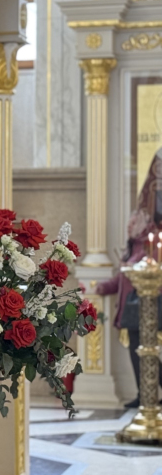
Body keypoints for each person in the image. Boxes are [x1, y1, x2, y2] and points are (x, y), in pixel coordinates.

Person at [95, 150, 162, 408]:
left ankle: (150, 394)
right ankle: (144, 394)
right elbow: (122, 277)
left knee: (148, 350)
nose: (130, 225)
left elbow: (146, 269)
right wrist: (102, 287)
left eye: (134, 222)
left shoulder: (151, 244)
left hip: (150, 302)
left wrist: (132, 267)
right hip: (132, 306)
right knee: (138, 350)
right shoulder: (132, 247)